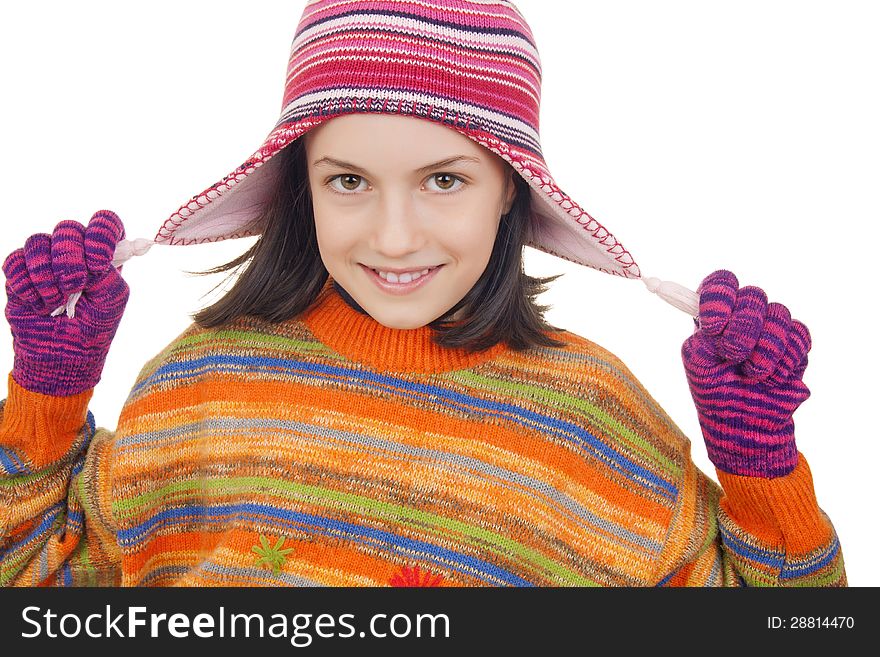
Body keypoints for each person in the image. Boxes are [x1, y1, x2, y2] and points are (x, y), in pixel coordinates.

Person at [0, 0, 845, 587]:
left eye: (444, 179)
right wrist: (45, 396)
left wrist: (760, 467)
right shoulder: (199, 388)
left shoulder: (596, 426)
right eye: (349, 181)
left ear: (510, 188)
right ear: (304, 183)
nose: (395, 236)